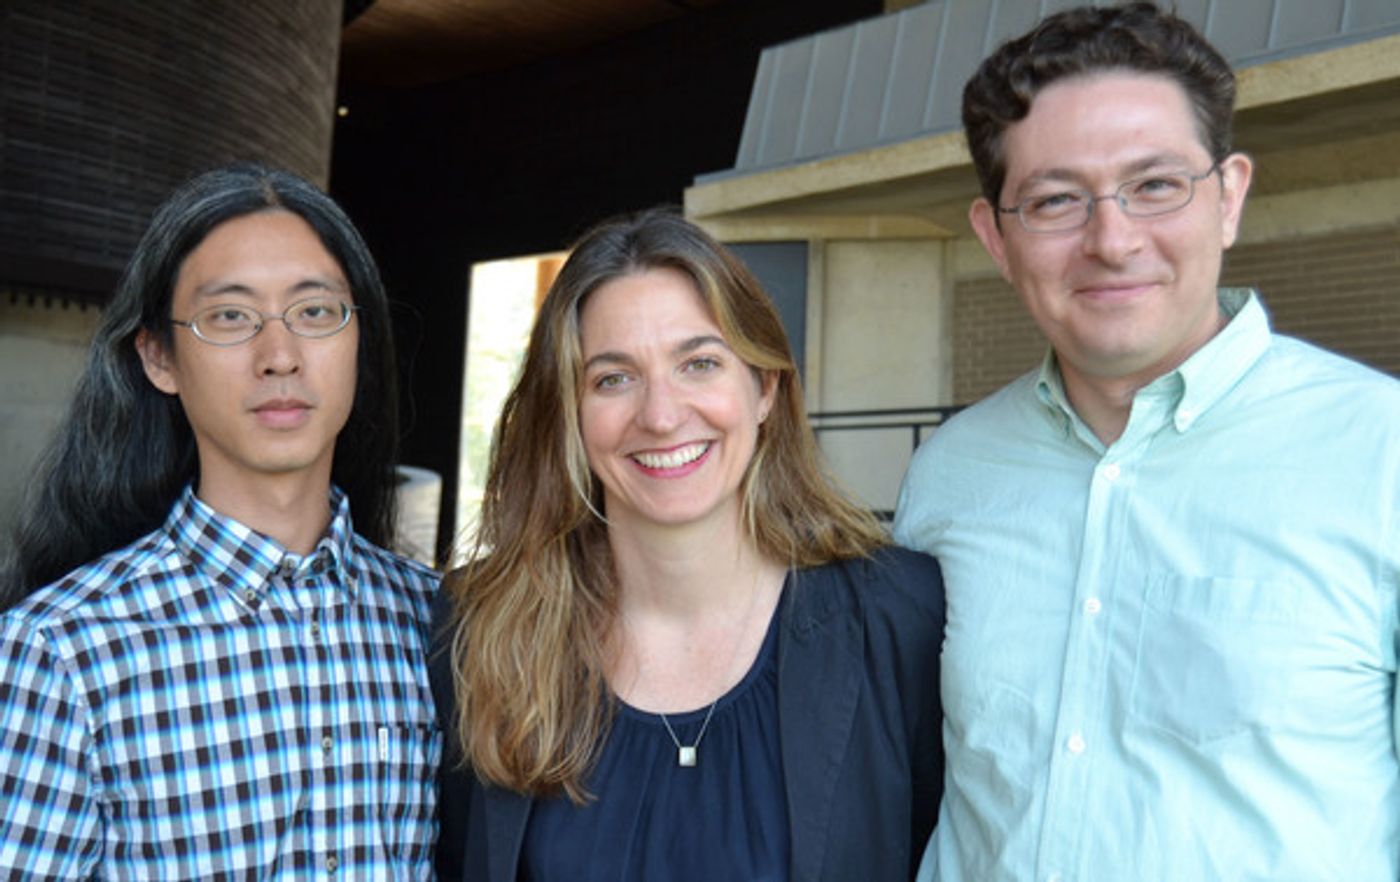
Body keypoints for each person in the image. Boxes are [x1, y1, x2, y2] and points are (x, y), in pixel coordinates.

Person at [893, 3, 1400, 881]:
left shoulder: (1381, 449)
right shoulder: (950, 474)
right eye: (1055, 200)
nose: (1112, 239)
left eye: (1156, 185)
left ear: (1230, 196)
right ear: (995, 239)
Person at [432, 209, 944, 882]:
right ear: (569, 414)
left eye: (699, 364)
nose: (662, 415)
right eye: (613, 378)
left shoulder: (898, 615)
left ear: (764, 388)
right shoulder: (477, 629)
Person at [0, 163, 441, 879]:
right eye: (230, 316)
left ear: (359, 338)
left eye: (316, 311)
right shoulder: (61, 653)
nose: (280, 357)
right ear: (159, 357)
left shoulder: (434, 624)